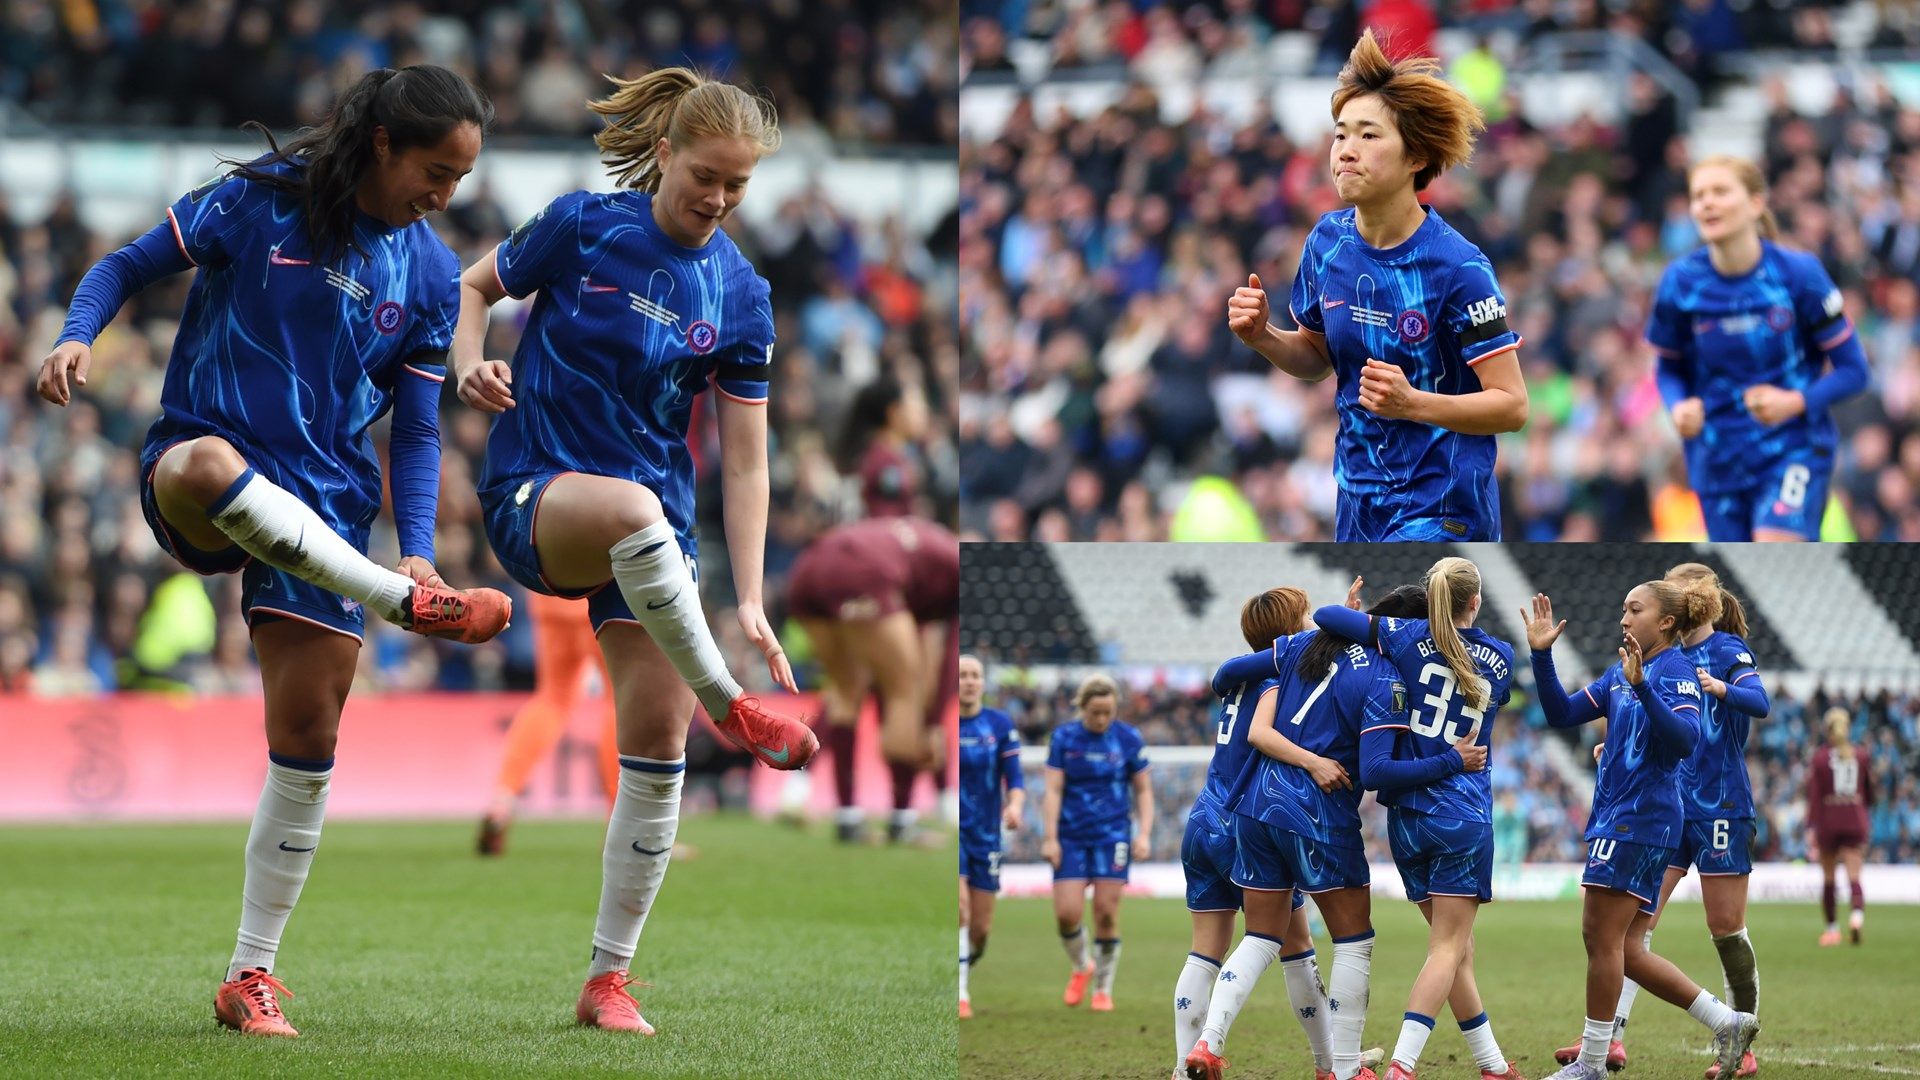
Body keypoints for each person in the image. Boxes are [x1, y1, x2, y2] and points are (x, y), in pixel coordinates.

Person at [39, 64, 504, 1038]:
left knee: (309, 739)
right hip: (199, 464)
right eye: (436, 168)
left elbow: (416, 431)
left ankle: (250, 975)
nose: (445, 193)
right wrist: (78, 335)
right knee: (208, 466)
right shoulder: (254, 202)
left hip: (325, 509)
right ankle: (389, 598)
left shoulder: (425, 273)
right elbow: (123, 264)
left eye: (461, 177)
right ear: (383, 142)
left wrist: (416, 548)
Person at [451, 66, 820, 1035]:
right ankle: (732, 703)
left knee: (656, 750)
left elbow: (745, 463)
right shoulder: (582, 225)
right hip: (538, 496)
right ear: (664, 153)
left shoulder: (741, 292)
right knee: (631, 512)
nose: (720, 199)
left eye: (739, 186)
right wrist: (467, 361)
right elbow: (475, 285)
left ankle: (608, 979)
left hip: (650, 536)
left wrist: (747, 598)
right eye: (707, 176)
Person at [1224, 29, 1527, 541]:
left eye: (1369, 135)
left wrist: (1414, 404)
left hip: (1443, 509)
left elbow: (1512, 405)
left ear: (1415, 158)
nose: (1346, 150)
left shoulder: (1459, 268)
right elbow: (1318, 358)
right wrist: (1264, 337)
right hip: (1358, 503)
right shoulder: (1327, 243)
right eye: (1341, 134)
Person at [1186, 586, 1425, 1080]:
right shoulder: (1386, 676)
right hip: (1316, 814)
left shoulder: (1302, 646)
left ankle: (1207, 1044)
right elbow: (1378, 770)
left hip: (1255, 804)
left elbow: (1228, 675)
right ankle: (1343, 1068)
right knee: (1354, 938)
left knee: (1260, 936)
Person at [1525, 583, 1760, 1080]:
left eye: (1635, 609)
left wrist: (1643, 688)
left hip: (1640, 820)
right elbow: (1560, 713)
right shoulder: (1623, 671)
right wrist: (1541, 656)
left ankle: (1591, 1063)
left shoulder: (1673, 671)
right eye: (1623, 609)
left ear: (1667, 622)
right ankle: (1727, 1021)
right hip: (1625, 817)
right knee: (1626, 948)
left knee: (1600, 938)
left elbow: (1684, 740)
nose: (1624, 618)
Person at [1310, 560, 1525, 1080]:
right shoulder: (1501, 657)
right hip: (1461, 812)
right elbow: (1494, 686)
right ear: (1475, 602)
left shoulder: (1403, 637)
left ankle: (1493, 1066)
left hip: (1406, 817)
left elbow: (1323, 614)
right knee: (1449, 948)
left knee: (1457, 951)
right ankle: (1403, 1065)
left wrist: (1359, 615)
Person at [1177, 587, 1352, 1080]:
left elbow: (1226, 676)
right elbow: (1263, 734)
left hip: (1204, 817)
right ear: (1291, 627)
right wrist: (1317, 762)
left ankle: (1181, 1067)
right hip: (1246, 821)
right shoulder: (1279, 675)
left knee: (1210, 951)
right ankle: (1322, 1064)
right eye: (1304, 615)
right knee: (1276, 941)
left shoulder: (1242, 674)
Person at [1648, 156, 1870, 541]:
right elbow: (1668, 369)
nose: (1707, 203)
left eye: (1720, 191)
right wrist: (1678, 406)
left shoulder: (1798, 275)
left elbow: (1855, 371)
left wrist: (1794, 402)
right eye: (1698, 195)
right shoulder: (1681, 282)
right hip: (1716, 458)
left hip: (1793, 449)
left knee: (1773, 554)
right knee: (1738, 593)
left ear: (1755, 203)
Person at [787, 516, 959, 841]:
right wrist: (934, 723)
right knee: (906, 689)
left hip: (808, 570)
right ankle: (902, 821)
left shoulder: (931, 547)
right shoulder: (954, 567)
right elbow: (951, 653)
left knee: (844, 691)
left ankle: (848, 818)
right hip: (861, 572)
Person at [1043, 673, 1151, 1014]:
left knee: (1106, 913)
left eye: (1108, 712)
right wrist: (1049, 838)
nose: (1102, 719)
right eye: (1095, 713)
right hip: (1071, 835)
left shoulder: (1128, 738)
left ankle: (1103, 988)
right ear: (1083, 709)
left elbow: (1143, 789)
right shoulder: (1064, 738)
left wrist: (1144, 833)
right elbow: (1053, 790)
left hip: (1113, 834)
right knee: (1067, 914)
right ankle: (1081, 967)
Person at [478, 593, 618, 856]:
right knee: (619, 699)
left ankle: (502, 800)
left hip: (549, 593)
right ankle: (623, 824)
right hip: (601, 594)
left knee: (552, 698)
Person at [957, 654, 1024, 1020]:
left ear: (983, 682)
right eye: (962, 675)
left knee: (981, 928)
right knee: (960, 909)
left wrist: (1014, 806)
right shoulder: (943, 722)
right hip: (956, 833)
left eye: (974, 675)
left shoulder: (998, 724)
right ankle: (961, 992)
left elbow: (1014, 778)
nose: (968, 681)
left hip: (986, 835)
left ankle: (965, 961)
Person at [1808, 706, 1872, 946]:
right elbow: (1869, 794)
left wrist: (1811, 827)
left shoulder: (1820, 757)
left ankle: (1833, 930)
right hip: (1854, 818)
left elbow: (1815, 797)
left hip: (1829, 820)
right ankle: (1856, 917)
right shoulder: (1861, 755)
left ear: (1827, 729)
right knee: (1854, 875)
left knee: (1829, 878)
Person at [840, 372, 931, 519]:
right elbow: (885, 522)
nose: (925, 413)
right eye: (917, 408)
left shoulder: (894, 455)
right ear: (894, 413)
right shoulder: (882, 462)